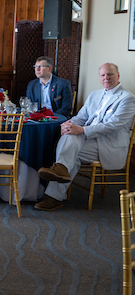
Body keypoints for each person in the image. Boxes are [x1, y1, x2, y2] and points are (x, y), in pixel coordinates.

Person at [35, 63, 135, 211]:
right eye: (102, 75)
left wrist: (81, 130)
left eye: (110, 74)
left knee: (69, 151)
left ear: (118, 76)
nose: (106, 78)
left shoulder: (127, 98)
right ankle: (59, 177)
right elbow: (80, 117)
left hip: (108, 145)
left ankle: (55, 191)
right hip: (88, 140)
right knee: (70, 141)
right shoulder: (95, 94)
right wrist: (69, 124)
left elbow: (112, 126)